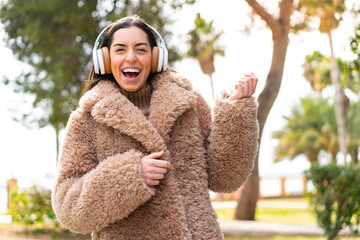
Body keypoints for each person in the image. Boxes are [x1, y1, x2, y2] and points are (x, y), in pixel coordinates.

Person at [51, 15, 259, 240]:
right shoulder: (87, 119)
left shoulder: (188, 101)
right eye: (120, 50)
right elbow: (68, 208)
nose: (131, 57)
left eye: (141, 50)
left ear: (155, 57)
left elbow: (225, 177)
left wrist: (236, 111)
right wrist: (130, 175)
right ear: (105, 59)